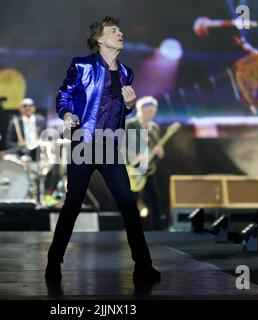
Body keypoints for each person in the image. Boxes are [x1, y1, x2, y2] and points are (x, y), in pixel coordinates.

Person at [45, 17, 161, 283]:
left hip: (109, 145)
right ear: (100, 39)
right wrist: (66, 113)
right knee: (73, 203)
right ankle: (54, 261)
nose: (120, 33)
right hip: (84, 142)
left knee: (128, 204)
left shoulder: (126, 72)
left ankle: (143, 265)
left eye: (121, 30)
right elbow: (64, 94)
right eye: (114, 31)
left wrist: (130, 106)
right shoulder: (82, 65)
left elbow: (120, 110)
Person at [125, 96, 165, 230]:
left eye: (154, 110)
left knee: (155, 198)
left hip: (149, 169)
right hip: (133, 169)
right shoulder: (130, 125)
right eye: (149, 110)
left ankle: (158, 229)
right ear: (141, 110)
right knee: (132, 200)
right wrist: (134, 158)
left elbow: (155, 148)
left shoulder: (154, 128)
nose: (152, 113)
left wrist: (159, 153)